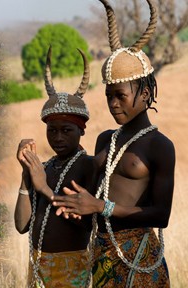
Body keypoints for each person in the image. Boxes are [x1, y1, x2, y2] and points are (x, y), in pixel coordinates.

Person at [52, 0, 173, 286]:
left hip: (140, 258)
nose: (113, 104)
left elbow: (162, 215)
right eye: (108, 96)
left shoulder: (159, 146)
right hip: (102, 253)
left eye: (120, 95)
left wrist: (100, 206)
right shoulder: (105, 139)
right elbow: (90, 199)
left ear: (145, 94)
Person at [15, 46, 96, 287]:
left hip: (72, 268)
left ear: (82, 130)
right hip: (39, 266)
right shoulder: (46, 167)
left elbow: (86, 222)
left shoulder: (88, 166)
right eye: (52, 131)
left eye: (66, 130)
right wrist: (26, 173)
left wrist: (44, 189)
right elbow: (21, 226)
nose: (58, 138)